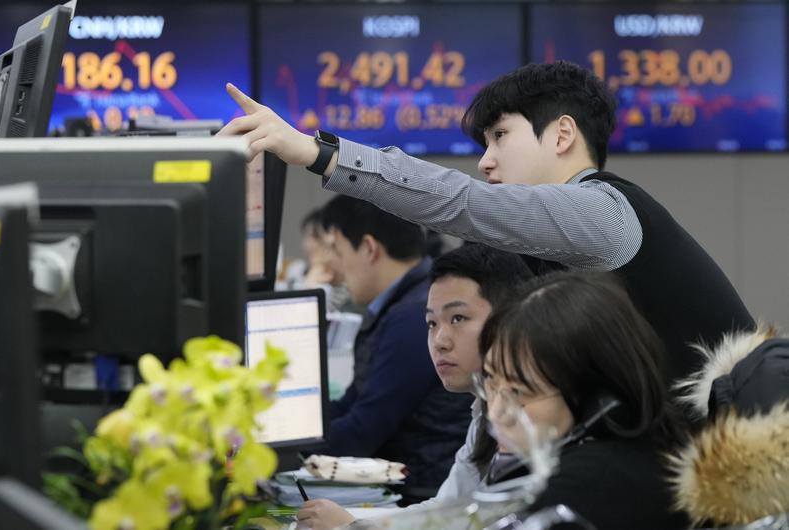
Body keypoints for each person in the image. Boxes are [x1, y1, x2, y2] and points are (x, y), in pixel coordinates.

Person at [217, 61, 754, 384]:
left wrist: (315, 151)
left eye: (501, 136)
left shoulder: (603, 212)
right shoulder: (552, 242)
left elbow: (465, 204)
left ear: (563, 134)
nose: (486, 160)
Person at [297, 243, 535, 530]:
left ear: (510, 319)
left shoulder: (532, 419)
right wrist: (355, 524)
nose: (440, 340)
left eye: (458, 318)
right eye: (432, 323)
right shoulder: (485, 409)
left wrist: (352, 528)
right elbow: (448, 509)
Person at [476, 270, 689, 530]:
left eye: (519, 392)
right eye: (490, 379)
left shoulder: (584, 486)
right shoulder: (654, 443)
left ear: (598, 397)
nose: (496, 412)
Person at [317, 195, 473, 502]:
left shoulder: (416, 314)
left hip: (419, 495)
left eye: (337, 250)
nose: (331, 264)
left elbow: (361, 432)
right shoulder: (404, 304)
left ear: (369, 248)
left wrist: (271, 447)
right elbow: (353, 403)